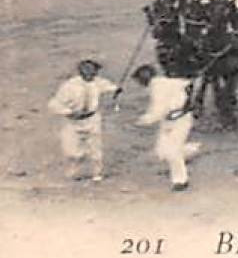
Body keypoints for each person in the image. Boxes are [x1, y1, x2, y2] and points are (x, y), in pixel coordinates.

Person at [46, 59, 121, 182]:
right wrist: (69, 112)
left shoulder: (98, 83)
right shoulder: (69, 86)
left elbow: (110, 87)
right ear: (80, 71)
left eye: (93, 70)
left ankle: (97, 174)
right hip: (72, 121)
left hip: (92, 119)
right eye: (87, 70)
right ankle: (73, 172)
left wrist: (116, 89)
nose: (91, 73)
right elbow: (53, 104)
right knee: (72, 150)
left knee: (95, 148)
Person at [131, 64, 199, 192]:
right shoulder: (160, 83)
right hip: (168, 121)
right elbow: (185, 84)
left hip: (180, 119)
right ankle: (192, 149)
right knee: (161, 152)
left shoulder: (158, 87)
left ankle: (180, 181)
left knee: (172, 151)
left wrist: (142, 121)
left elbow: (158, 110)